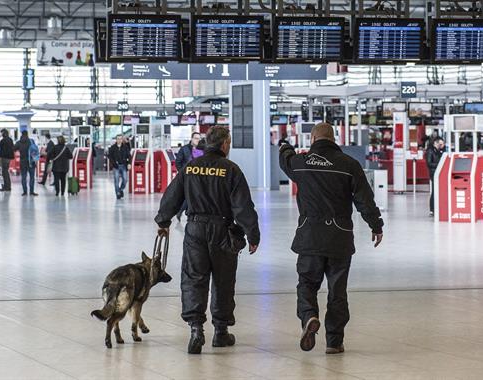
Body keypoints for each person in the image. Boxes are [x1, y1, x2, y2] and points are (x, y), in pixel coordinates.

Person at [278, 123, 384, 355]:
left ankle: (309, 316)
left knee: (306, 283)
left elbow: (285, 159)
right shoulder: (349, 165)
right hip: (339, 237)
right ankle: (334, 342)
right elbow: (365, 200)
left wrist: (285, 146)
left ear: (314, 138)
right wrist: (376, 225)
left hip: (310, 236)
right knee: (337, 291)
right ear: (334, 138)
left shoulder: (301, 163)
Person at [154, 126, 260, 355]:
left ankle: (196, 330)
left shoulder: (190, 167)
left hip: (194, 229)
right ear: (224, 144)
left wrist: (163, 221)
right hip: (223, 230)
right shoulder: (231, 169)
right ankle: (220, 332)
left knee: (194, 278)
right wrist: (253, 234)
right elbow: (243, 206)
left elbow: (172, 195)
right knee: (223, 280)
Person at [426, 137, 446, 216]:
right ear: (435, 143)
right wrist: (439, 164)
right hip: (434, 173)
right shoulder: (430, 151)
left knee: (438, 191)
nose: (442, 146)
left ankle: (438, 208)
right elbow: (429, 163)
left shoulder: (439, 151)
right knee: (434, 192)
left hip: (439, 173)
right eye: (440, 144)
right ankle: (432, 209)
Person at [107, 135, 131, 199]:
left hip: (124, 166)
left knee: (125, 180)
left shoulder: (125, 147)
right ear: (116, 140)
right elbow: (110, 156)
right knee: (116, 180)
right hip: (116, 167)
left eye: (120, 139)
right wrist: (114, 164)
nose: (119, 140)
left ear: (122, 140)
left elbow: (129, 156)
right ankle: (118, 193)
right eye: (118, 139)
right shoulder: (112, 148)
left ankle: (120, 190)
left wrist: (129, 163)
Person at [14, 130, 38, 196]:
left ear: (21, 134)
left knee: (24, 177)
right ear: (27, 134)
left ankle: (24, 192)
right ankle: (31, 192)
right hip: (31, 162)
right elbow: (35, 150)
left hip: (23, 162)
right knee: (32, 177)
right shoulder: (31, 141)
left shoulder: (19, 142)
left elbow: (14, 149)